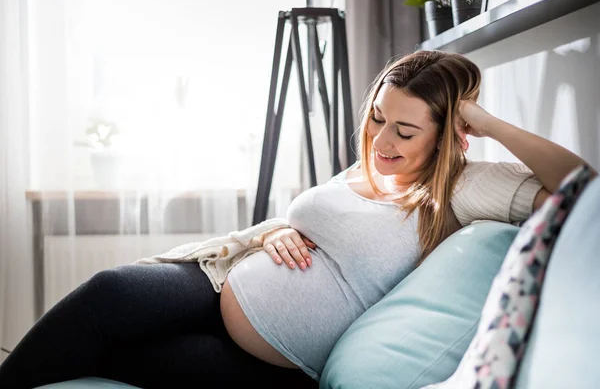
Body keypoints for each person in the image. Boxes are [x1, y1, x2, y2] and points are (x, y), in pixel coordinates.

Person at [0, 50, 595, 389]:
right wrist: (279, 231)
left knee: (145, 360)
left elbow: (580, 186)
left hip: (273, 364)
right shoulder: (369, 160)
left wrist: (487, 123)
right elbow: (324, 225)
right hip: (223, 280)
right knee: (109, 296)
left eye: (405, 130)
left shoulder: (467, 187)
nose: (381, 140)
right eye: (377, 119)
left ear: (448, 136)